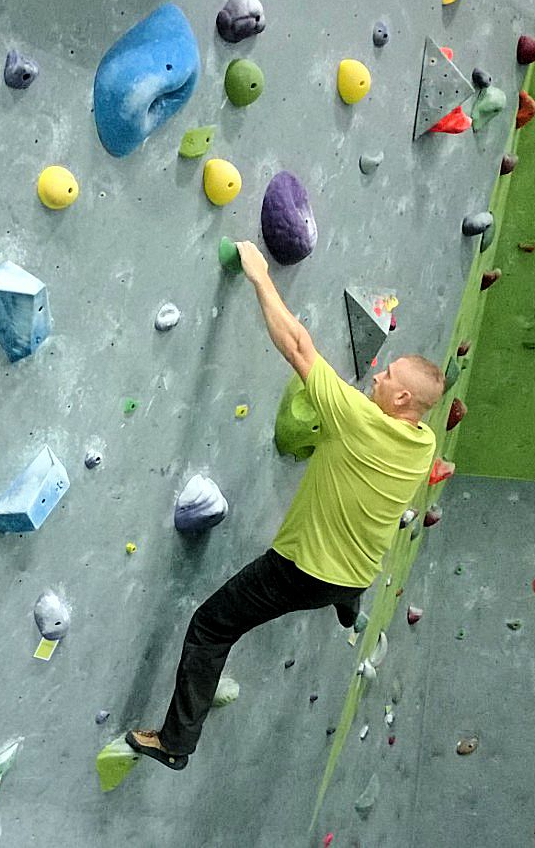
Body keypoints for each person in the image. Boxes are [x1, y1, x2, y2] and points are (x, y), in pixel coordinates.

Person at [126, 241, 444, 769]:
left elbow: (298, 347)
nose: (378, 377)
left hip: (303, 570)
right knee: (344, 584)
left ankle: (175, 743)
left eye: (388, 378)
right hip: (357, 571)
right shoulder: (422, 442)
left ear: (404, 402)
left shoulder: (359, 420)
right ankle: (347, 605)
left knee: (211, 626)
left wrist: (258, 276)